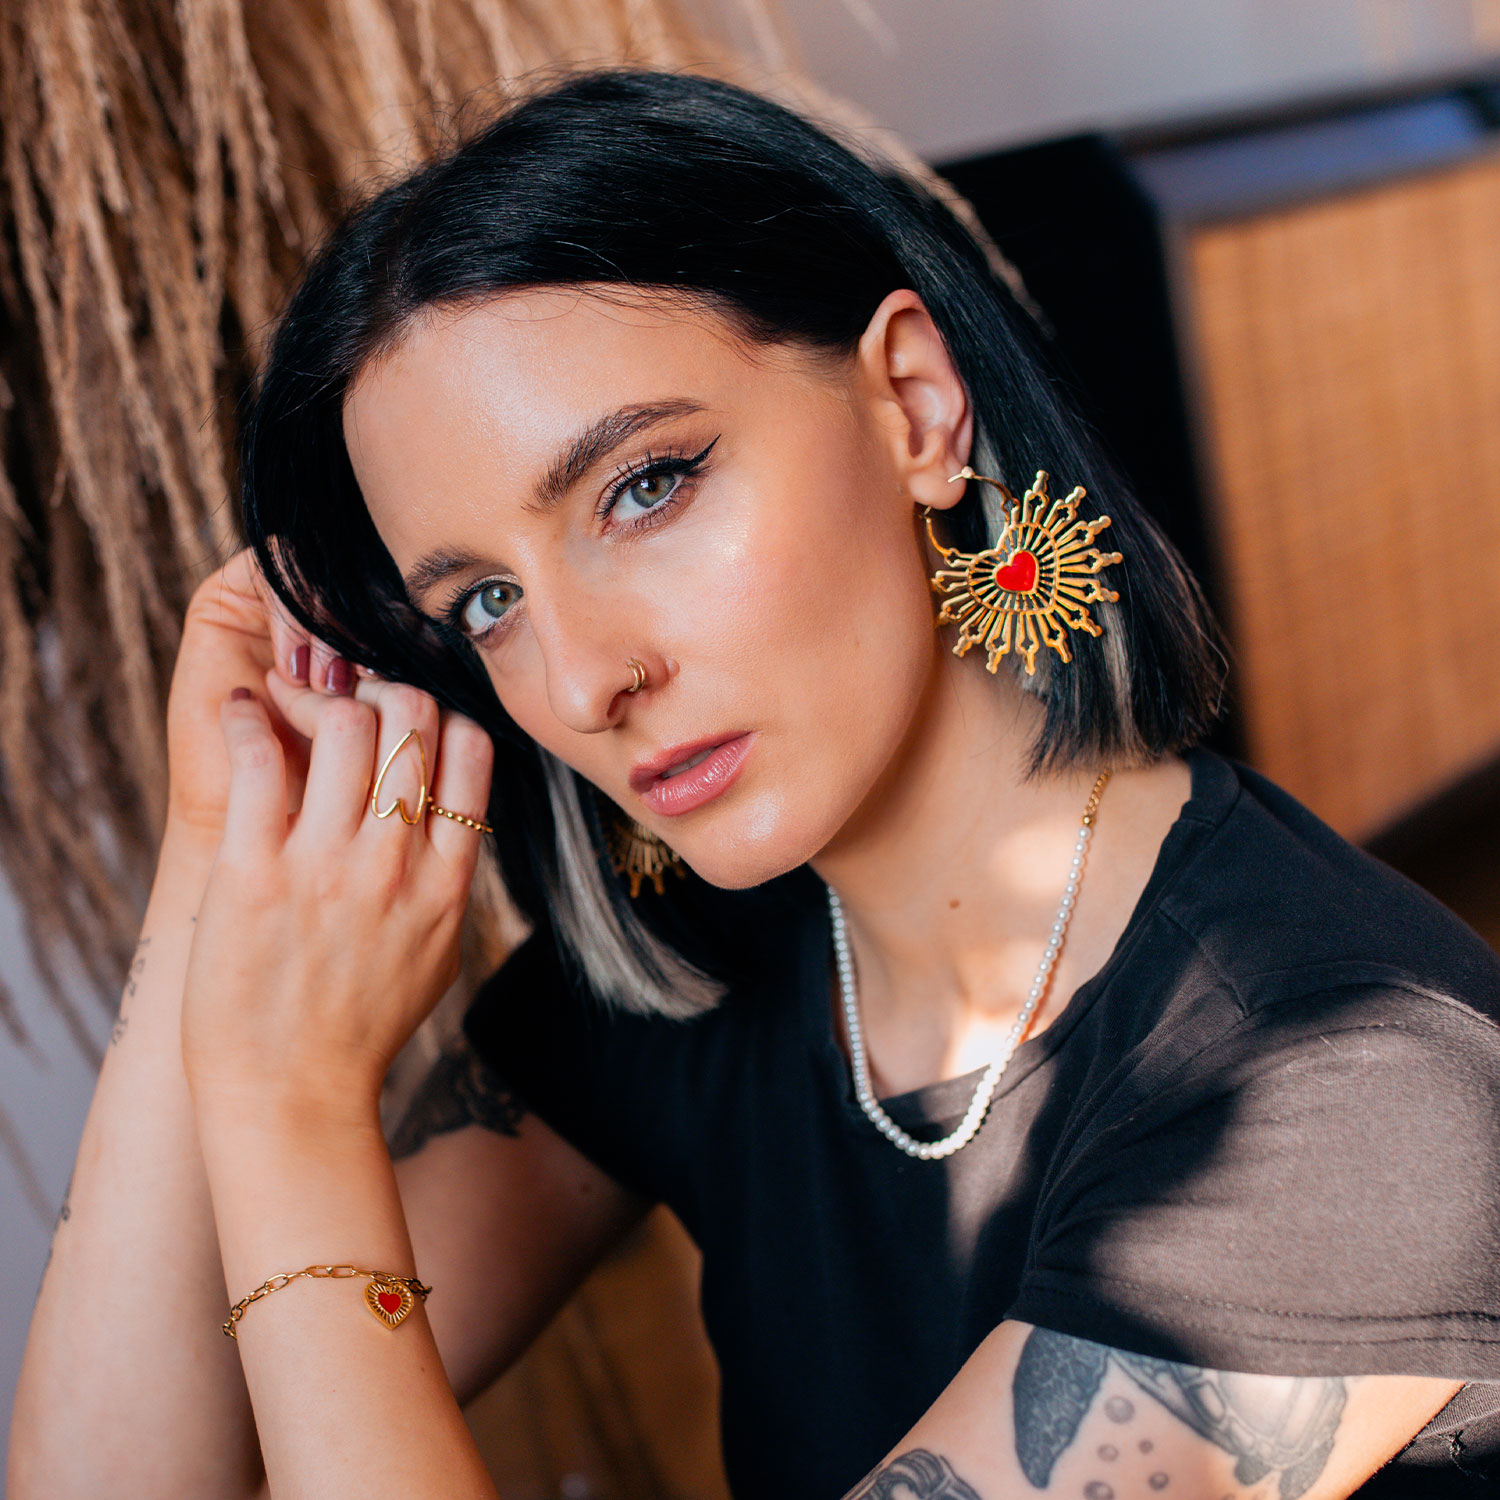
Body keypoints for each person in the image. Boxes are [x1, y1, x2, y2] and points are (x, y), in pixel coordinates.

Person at [12, 68, 1500, 1500]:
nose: (582, 684)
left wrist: (289, 1107)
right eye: (486, 602)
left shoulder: (1346, 1096)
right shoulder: (701, 958)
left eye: (645, 486)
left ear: (915, 404)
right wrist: (215, 848)